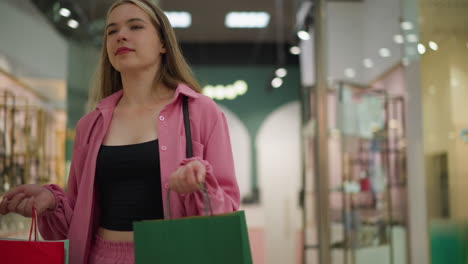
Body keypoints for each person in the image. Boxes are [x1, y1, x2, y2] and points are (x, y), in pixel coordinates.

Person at [0, 0, 240, 263]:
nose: (121, 35)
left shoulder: (199, 111)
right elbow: (76, 224)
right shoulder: (90, 125)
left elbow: (226, 209)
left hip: (173, 255)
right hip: (101, 257)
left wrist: (198, 186)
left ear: (163, 44)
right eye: (111, 31)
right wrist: (50, 202)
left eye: (135, 26)